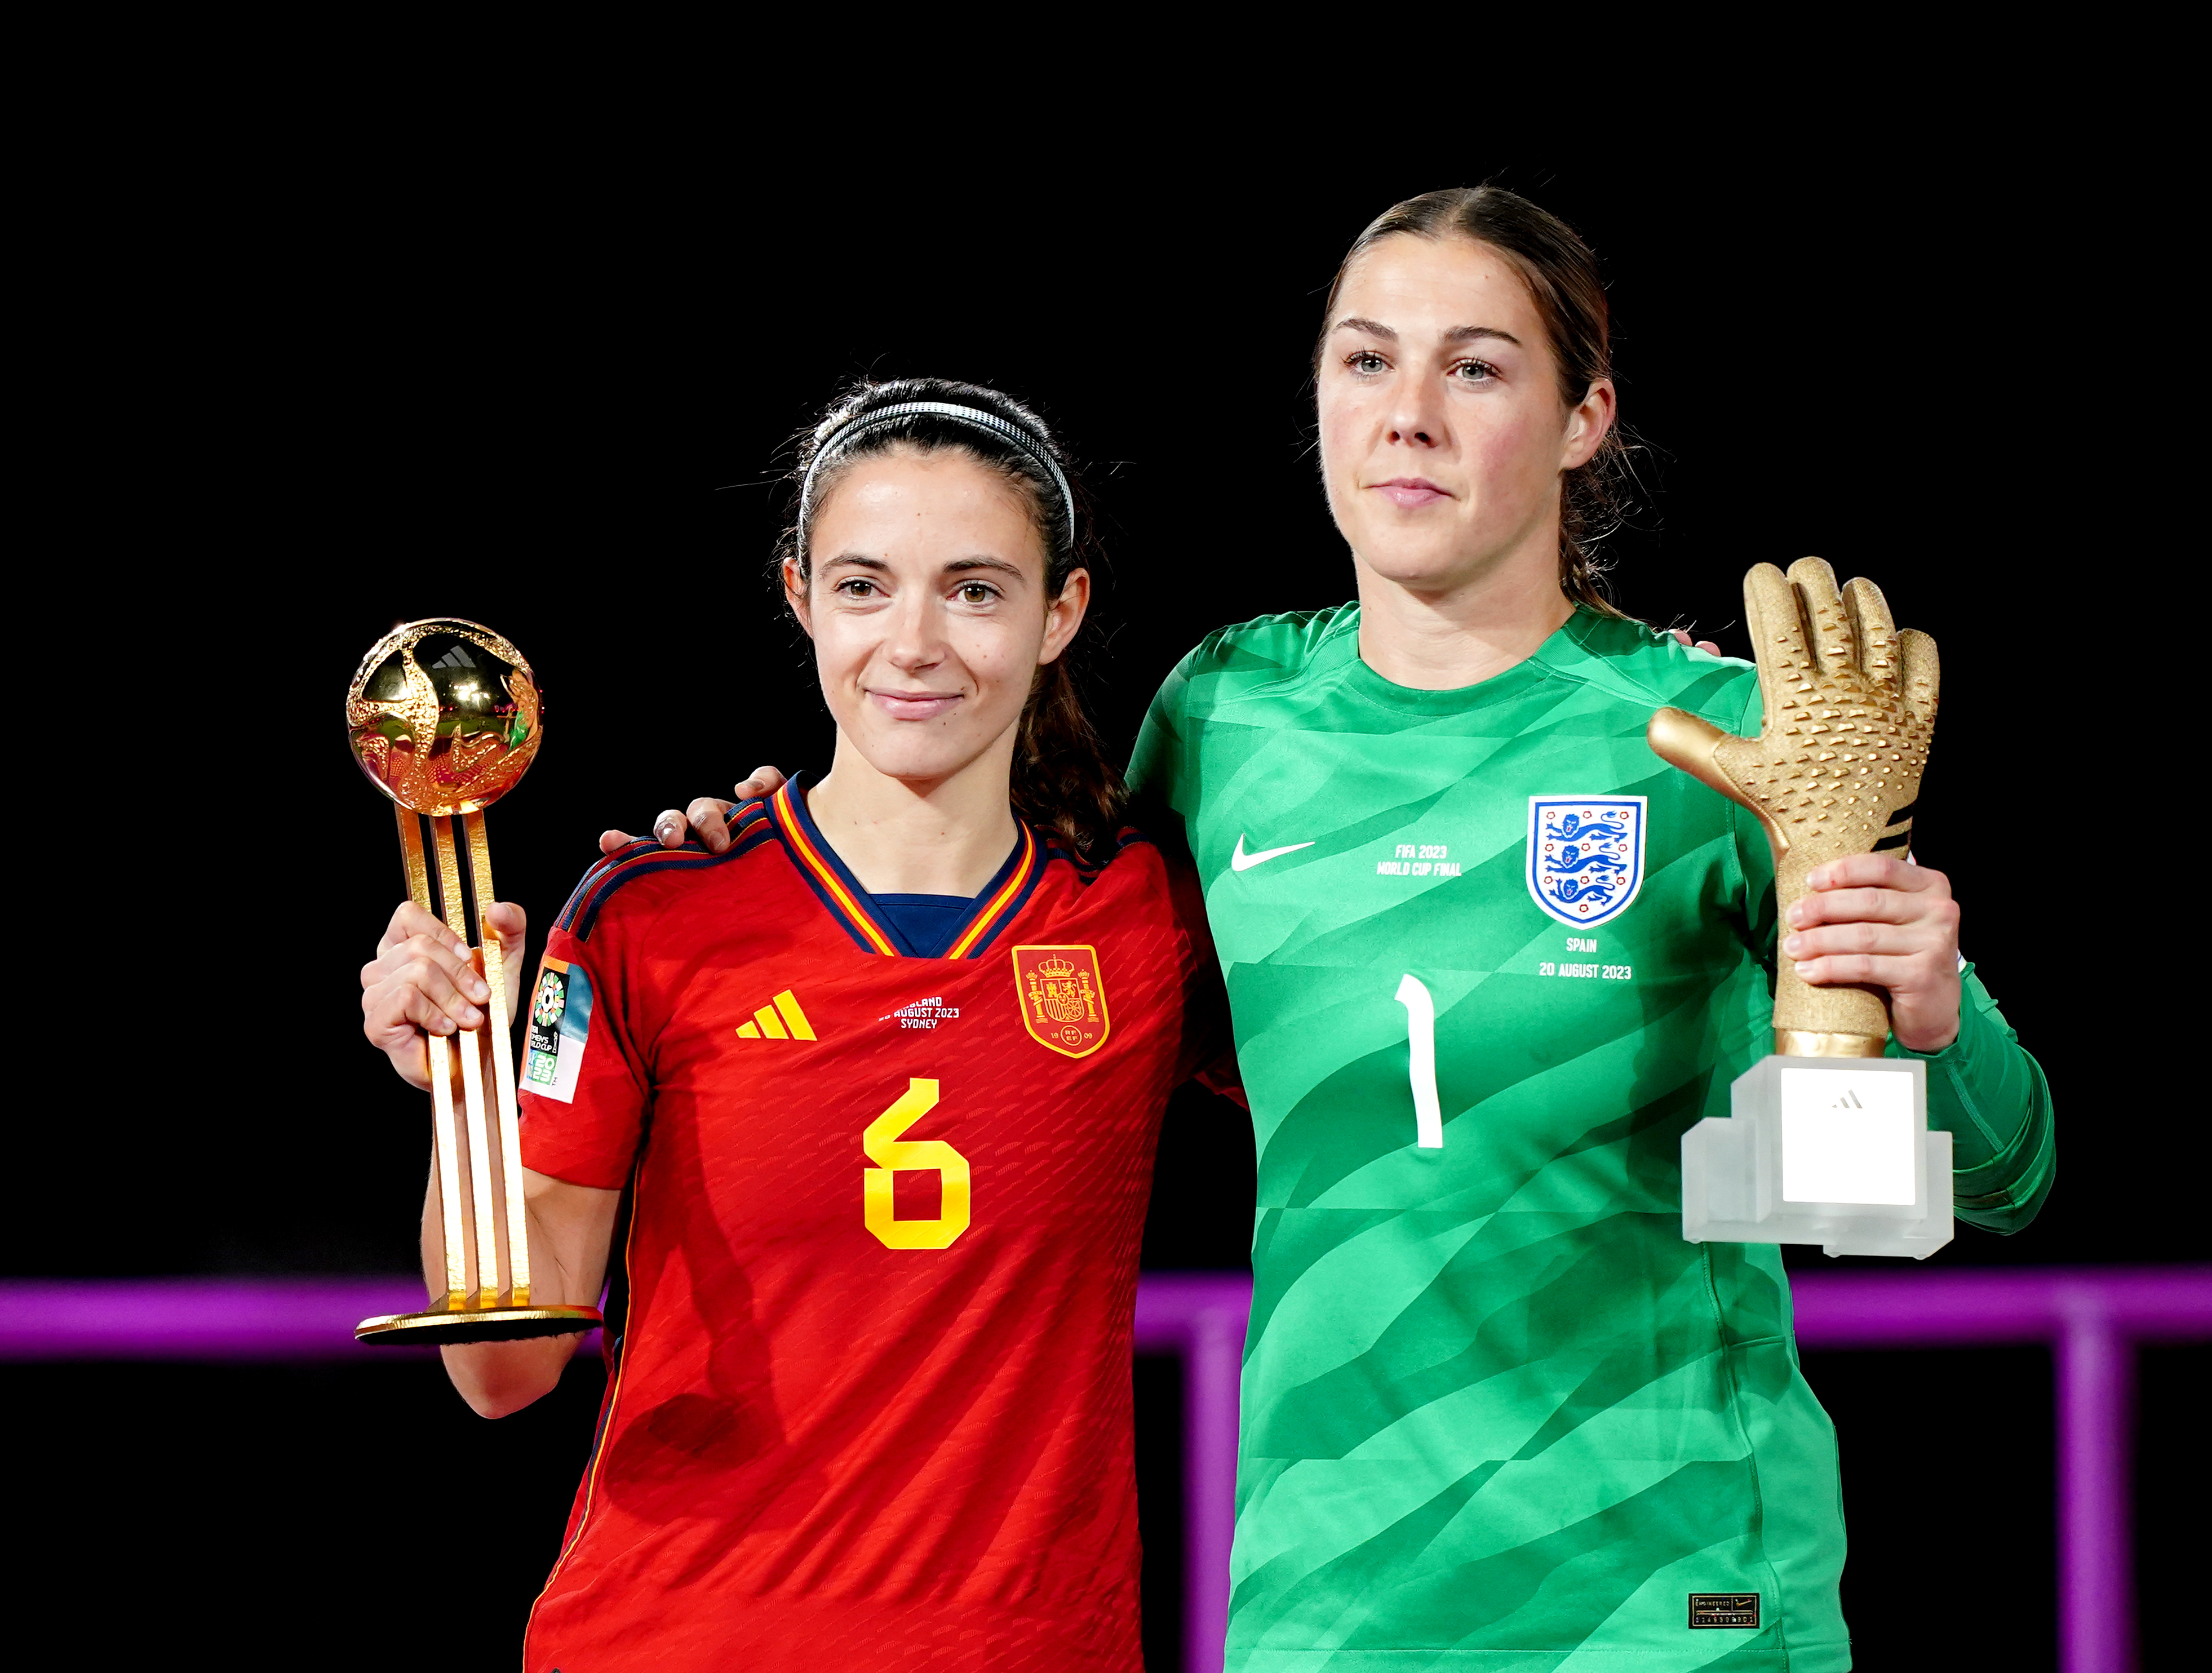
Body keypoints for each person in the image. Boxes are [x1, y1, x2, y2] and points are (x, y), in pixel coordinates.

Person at [647, 189, 2054, 1672]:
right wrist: (753, 868)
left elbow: (2000, 1175)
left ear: (1584, 418)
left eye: (1476, 367)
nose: (1408, 417)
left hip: (1668, 1597)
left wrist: (1930, 1008)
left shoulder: (1713, 743)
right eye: (1367, 361)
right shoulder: (1223, 711)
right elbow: (1029, 994)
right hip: (1327, 1605)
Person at [358, 379, 1229, 1671]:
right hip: (678, 1642)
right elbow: (504, 1375)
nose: (915, 642)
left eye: (976, 589)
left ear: (1064, 613)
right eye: (866, 586)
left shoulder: (1151, 913)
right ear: (800, 597)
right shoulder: (650, 914)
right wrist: (463, 1088)